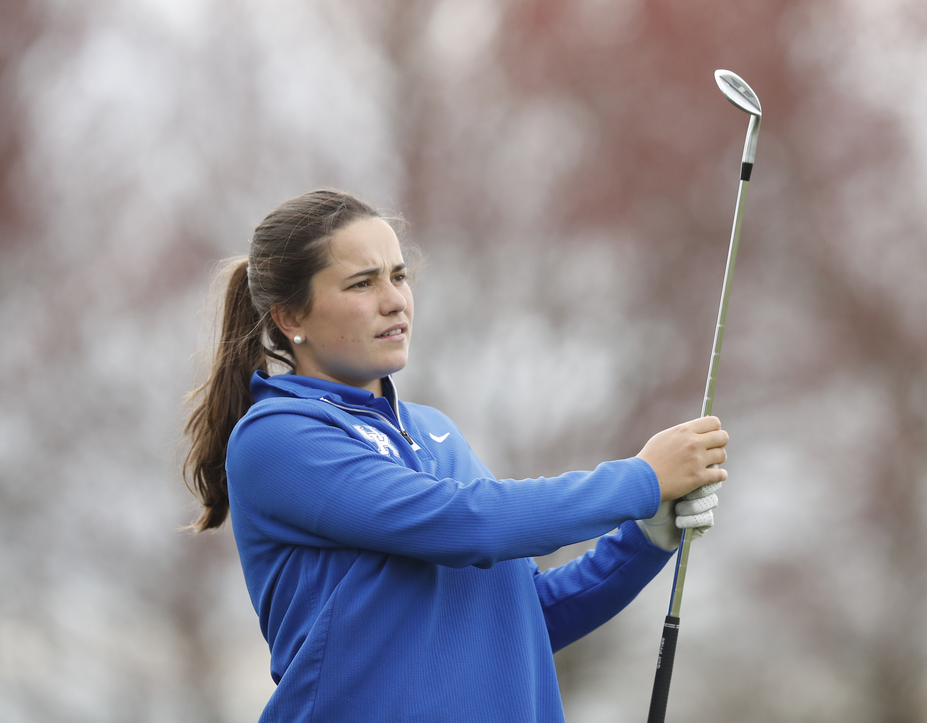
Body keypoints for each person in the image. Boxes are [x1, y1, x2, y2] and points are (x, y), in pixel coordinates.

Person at [182, 189, 728, 722]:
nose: (394, 299)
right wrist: (640, 481)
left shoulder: (433, 430)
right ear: (289, 319)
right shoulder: (276, 438)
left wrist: (645, 537)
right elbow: (467, 524)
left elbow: (522, 621)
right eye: (361, 283)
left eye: (398, 276)